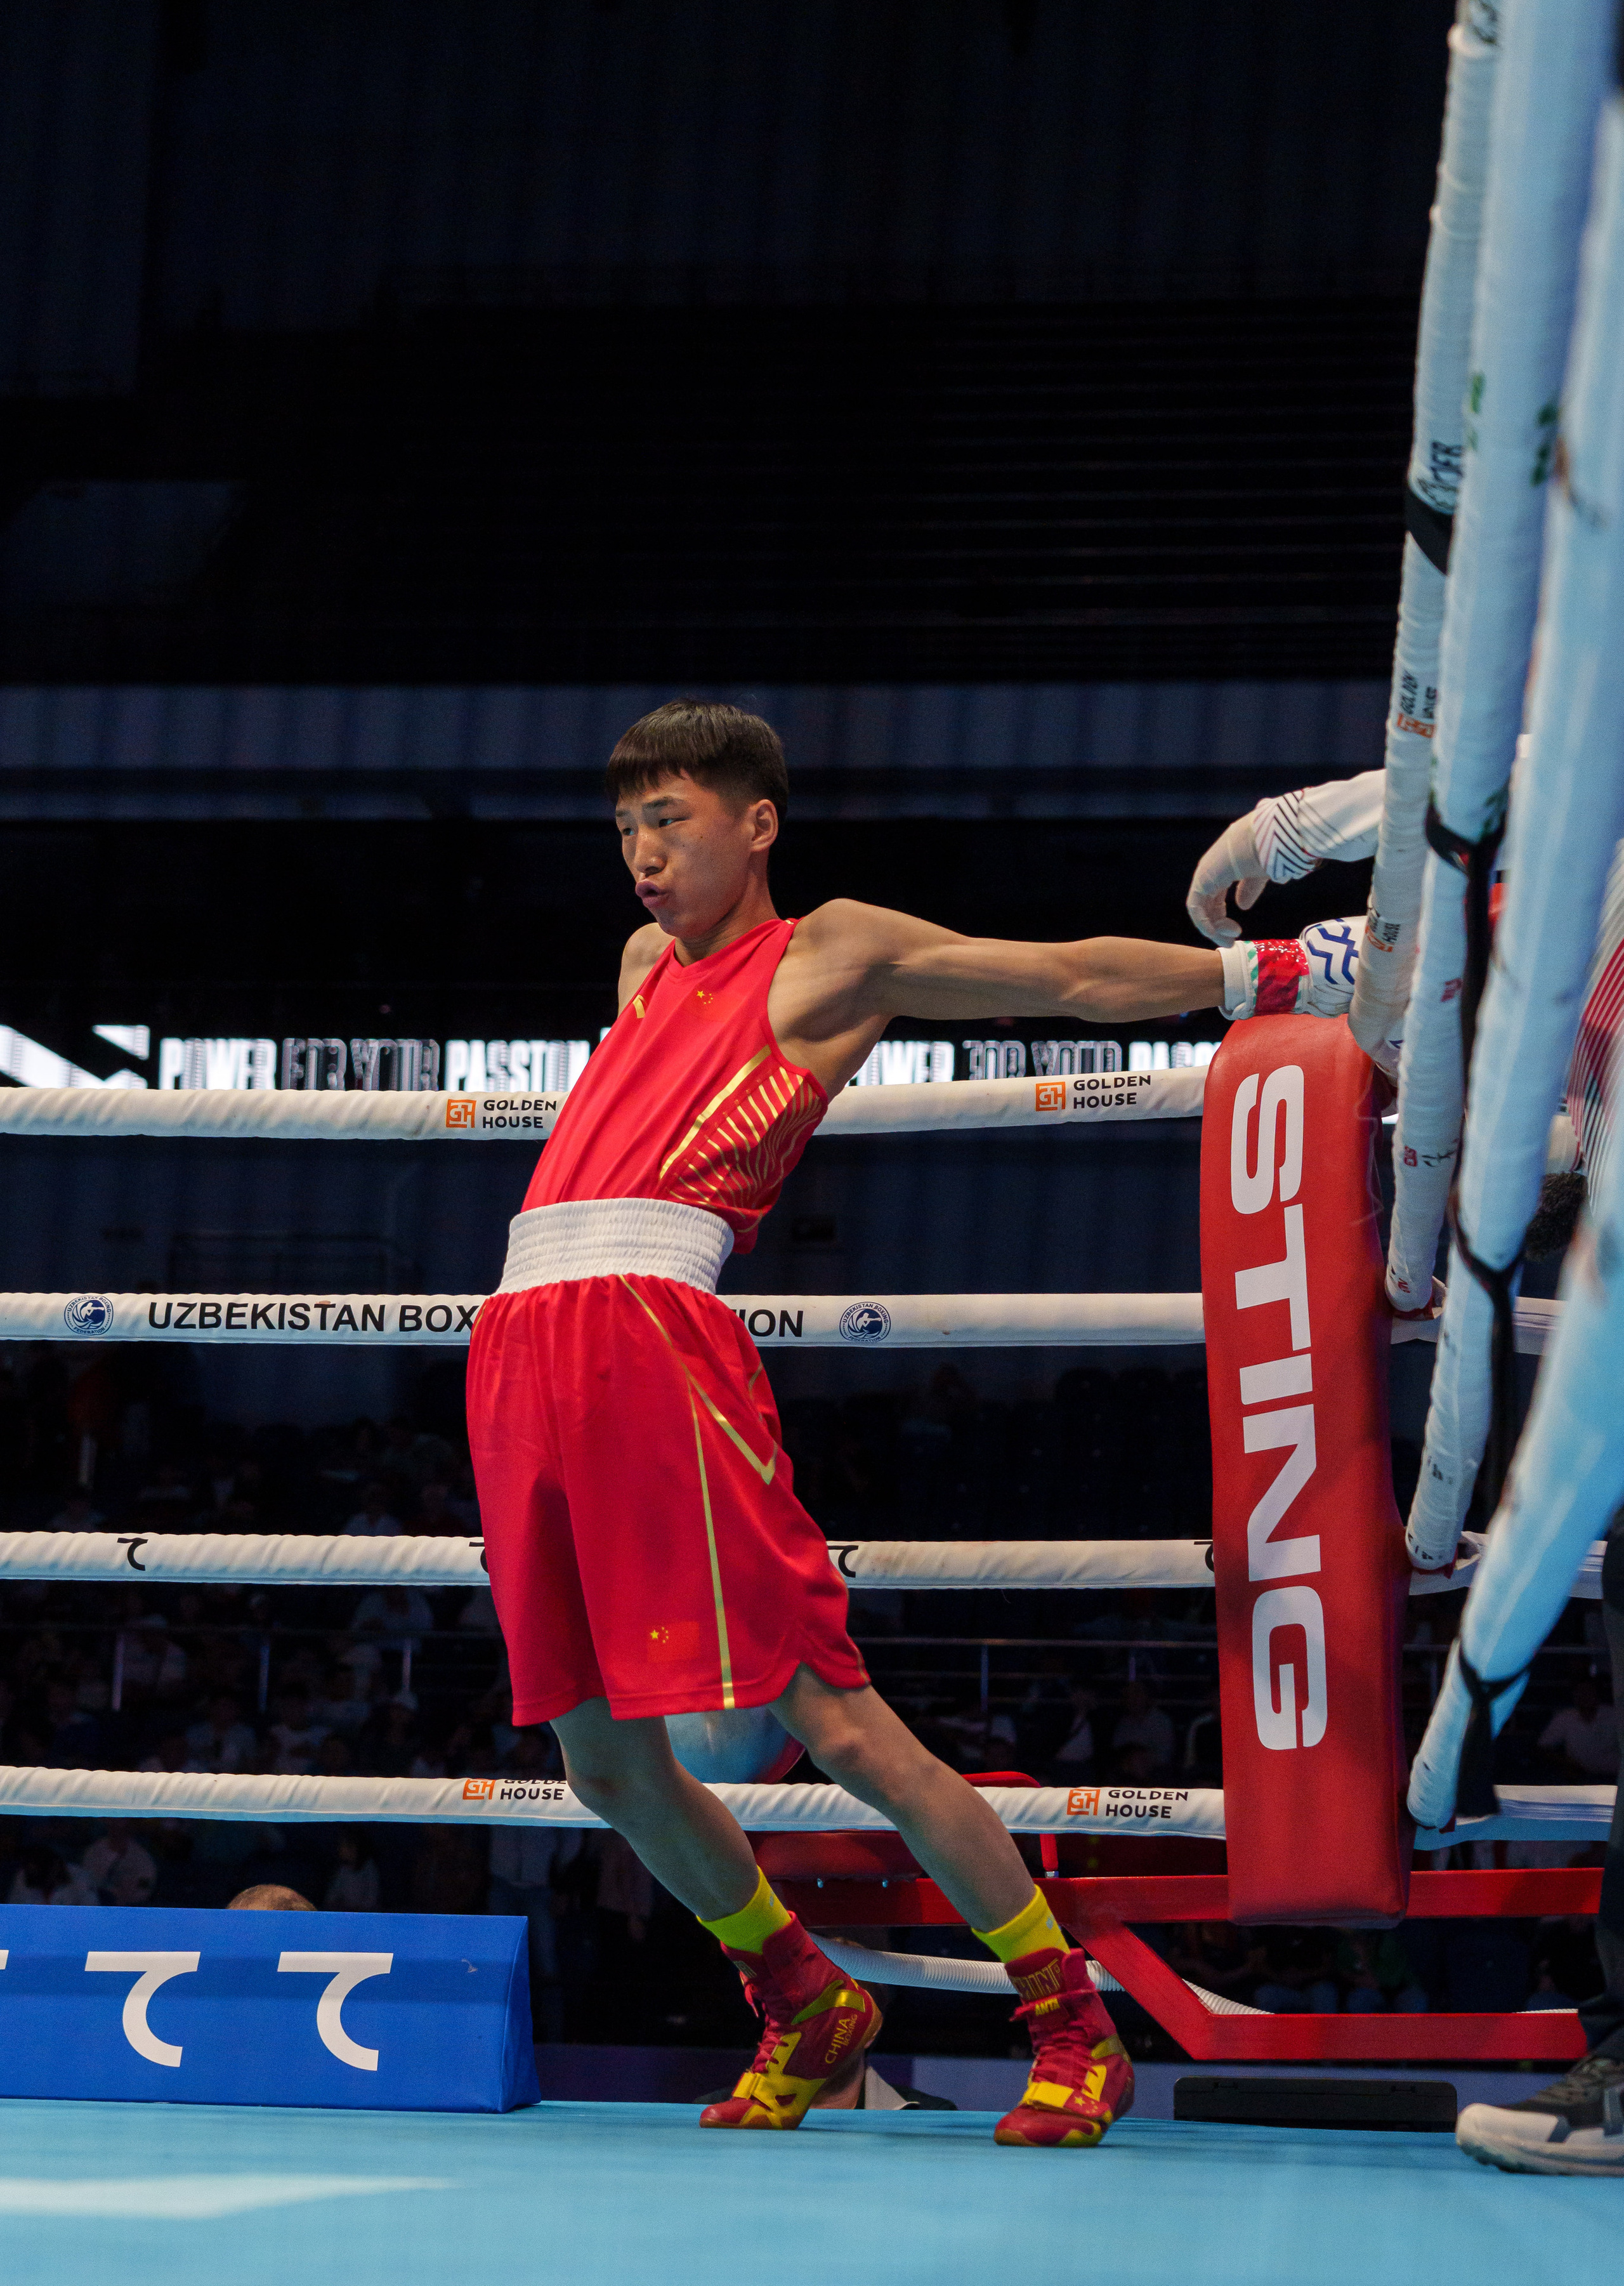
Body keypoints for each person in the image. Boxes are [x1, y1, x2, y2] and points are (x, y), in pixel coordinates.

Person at [467, 699, 1359, 2148]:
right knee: (602, 1759)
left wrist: (1264, 974)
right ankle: (802, 2000)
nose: (639, 853)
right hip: (518, 1342)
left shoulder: (831, 950)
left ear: (756, 825)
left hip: (653, 1331)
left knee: (831, 1716)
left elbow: (1062, 977)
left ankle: (1067, 2021)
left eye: (669, 821)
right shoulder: (641, 964)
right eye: (624, 825)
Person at [1186, 772, 1624, 2174]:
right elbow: (1441, 892)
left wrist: (1287, 830)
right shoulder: (1554, 899)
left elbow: (1497, 756)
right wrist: (1270, 930)